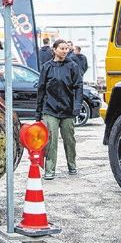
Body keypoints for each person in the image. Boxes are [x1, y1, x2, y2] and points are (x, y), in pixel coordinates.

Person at [35, 38, 83, 180]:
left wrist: (76, 107)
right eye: (61, 48)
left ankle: (72, 165)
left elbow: (78, 87)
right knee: (51, 141)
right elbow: (41, 89)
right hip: (50, 109)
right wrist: (38, 112)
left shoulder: (73, 66)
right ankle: (50, 170)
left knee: (69, 139)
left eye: (66, 49)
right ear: (54, 50)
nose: (64, 51)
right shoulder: (47, 67)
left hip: (68, 109)